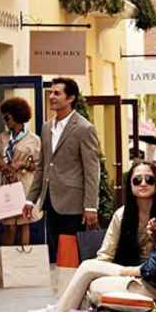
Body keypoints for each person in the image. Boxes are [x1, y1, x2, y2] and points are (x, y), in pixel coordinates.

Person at [17, 161, 156, 312]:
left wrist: (127, 270)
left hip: (147, 285)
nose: (144, 184)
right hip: (147, 280)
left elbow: (155, 266)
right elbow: (112, 255)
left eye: (152, 181)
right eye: (137, 180)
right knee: (87, 270)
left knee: (87, 282)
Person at [23, 78, 101, 263]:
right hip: (50, 201)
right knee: (57, 255)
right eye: (50, 92)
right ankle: (62, 289)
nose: (51, 96)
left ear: (71, 98)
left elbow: (92, 169)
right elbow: (42, 166)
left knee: (73, 255)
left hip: (74, 204)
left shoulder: (84, 128)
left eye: (57, 93)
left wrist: (91, 206)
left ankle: (75, 289)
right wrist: (30, 199)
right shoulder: (46, 126)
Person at [0, 97, 41, 247]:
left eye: (7, 117)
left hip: (24, 185)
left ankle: (22, 263)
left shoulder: (33, 139)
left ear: (17, 116)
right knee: (9, 225)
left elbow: (38, 164)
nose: (5, 120)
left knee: (23, 223)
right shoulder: (3, 137)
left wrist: (22, 164)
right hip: (7, 184)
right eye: (4, 117)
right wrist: (4, 166)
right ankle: (6, 262)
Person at [96, 160, 156, 266]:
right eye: (137, 180)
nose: (143, 183)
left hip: (155, 270)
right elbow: (106, 254)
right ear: (130, 184)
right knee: (88, 266)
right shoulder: (121, 214)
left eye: (149, 179)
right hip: (125, 268)